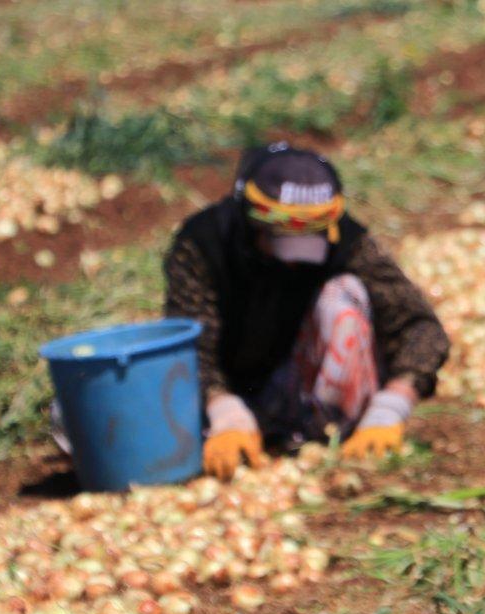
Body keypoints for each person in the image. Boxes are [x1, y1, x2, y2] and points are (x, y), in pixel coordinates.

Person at [164, 142, 449, 479]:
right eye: (281, 242)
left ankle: (336, 433)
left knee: (344, 296)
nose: (296, 259)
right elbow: (189, 341)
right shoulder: (203, 244)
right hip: (238, 392)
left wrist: (394, 403)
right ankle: (244, 427)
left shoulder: (346, 240)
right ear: (250, 221)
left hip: (309, 391)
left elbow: (419, 325)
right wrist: (220, 406)